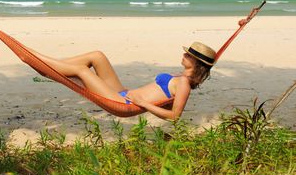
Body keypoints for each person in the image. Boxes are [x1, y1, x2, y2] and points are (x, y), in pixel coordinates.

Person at [29, 41, 216, 121]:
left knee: (80, 71)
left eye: (188, 54)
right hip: (122, 93)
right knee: (97, 56)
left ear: (197, 63)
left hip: (124, 103)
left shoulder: (184, 83)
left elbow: (175, 116)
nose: (184, 54)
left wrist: (142, 103)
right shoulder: (182, 78)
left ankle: (42, 62)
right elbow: (166, 100)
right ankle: (49, 66)